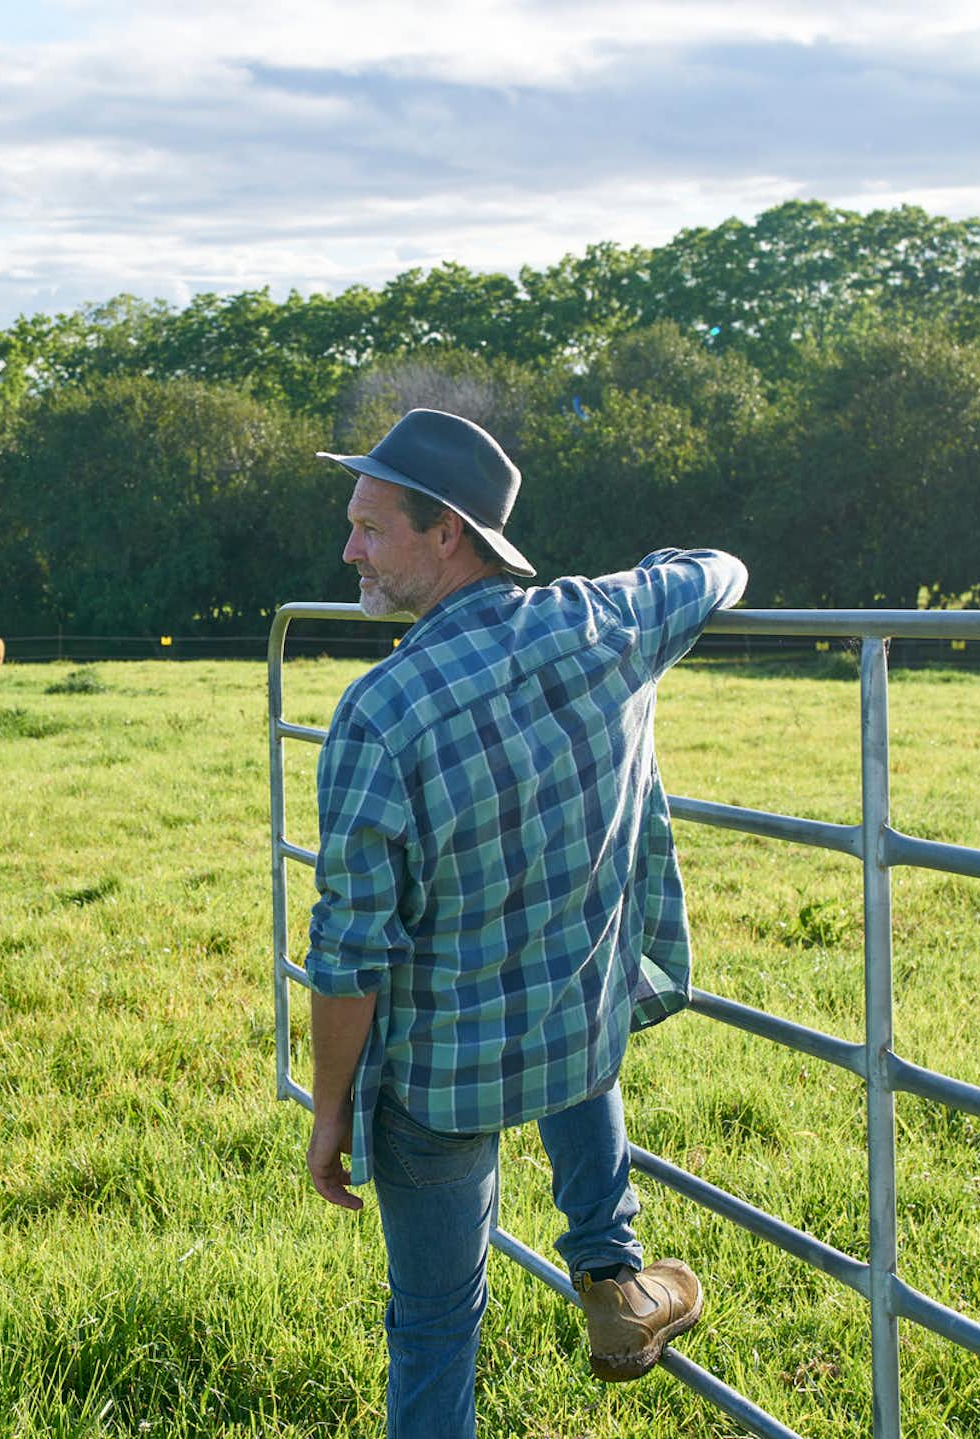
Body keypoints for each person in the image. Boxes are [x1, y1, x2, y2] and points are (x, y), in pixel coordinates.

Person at [300, 407, 749, 1436]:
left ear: (446, 531)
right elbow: (716, 566)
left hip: (439, 1080)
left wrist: (331, 1111)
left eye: (370, 526)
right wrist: (634, 574)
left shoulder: (381, 707)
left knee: (432, 1324)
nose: (348, 548)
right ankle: (613, 1277)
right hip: (570, 1027)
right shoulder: (609, 618)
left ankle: (608, 1278)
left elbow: (347, 952)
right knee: (571, 1004)